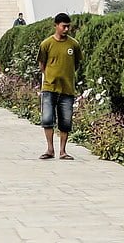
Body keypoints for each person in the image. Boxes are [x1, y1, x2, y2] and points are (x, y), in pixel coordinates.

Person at [38, 12, 83, 161]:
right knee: (47, 119)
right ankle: (50, 149)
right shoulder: (46, 44)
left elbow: (76, 64)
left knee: (65, 121)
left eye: (68, 27)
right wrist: (51, 76)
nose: (66, 29)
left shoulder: (73, 44)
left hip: (67, 88)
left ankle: (63, 151)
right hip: (49, 87)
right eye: (63, 26)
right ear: (56, 26)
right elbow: (42, 65)